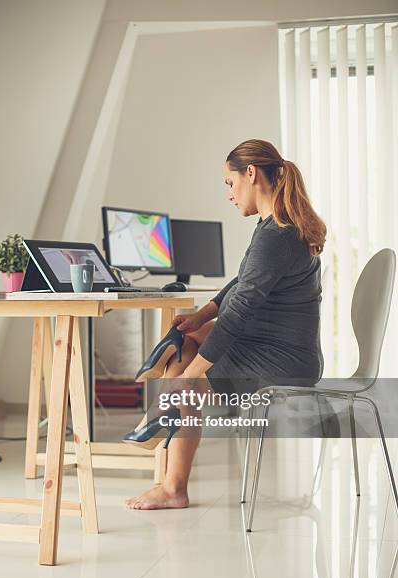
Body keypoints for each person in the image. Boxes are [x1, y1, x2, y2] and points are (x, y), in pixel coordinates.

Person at [125, 139, 326, 510]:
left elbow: (238, 315)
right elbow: (240, 282)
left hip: (283, 363)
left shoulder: (277, 235)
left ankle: (168, 450)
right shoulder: (275, 226)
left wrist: (189, 376)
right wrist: (201, 316)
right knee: (190, 336)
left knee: (185, 373)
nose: (230, 195)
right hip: (286, 351)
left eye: (230, 184)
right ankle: (167, 415)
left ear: (251, 174)